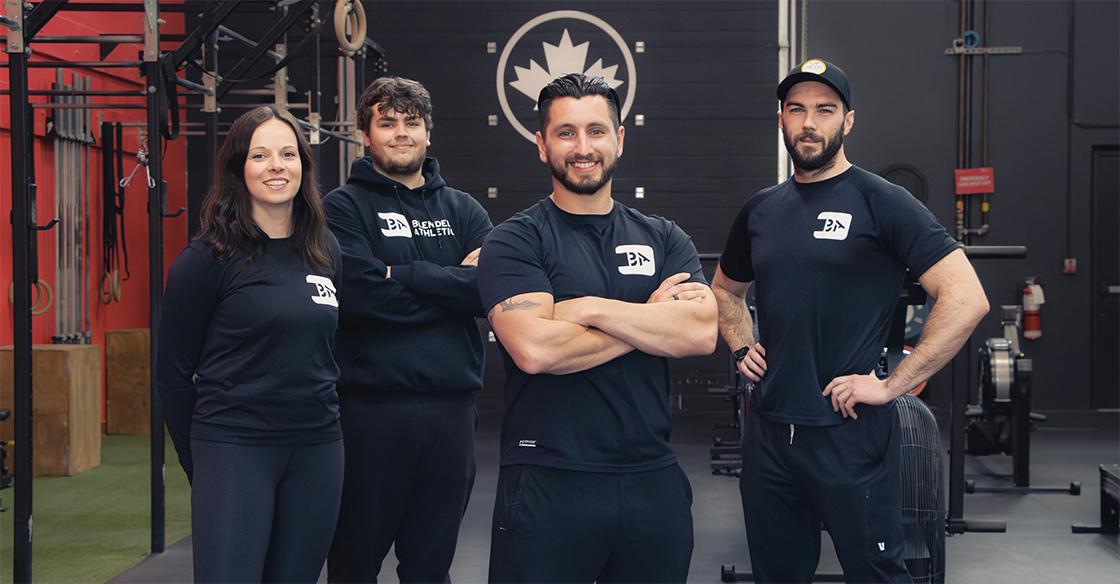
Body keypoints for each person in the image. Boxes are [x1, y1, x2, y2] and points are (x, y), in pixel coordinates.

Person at [711, 59, 990, 583]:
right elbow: (725, 291)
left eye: (825, 109)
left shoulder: (883, 202)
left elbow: (966, 297)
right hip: (770, 432)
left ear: (849, 120)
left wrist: (893, 386)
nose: (809, 122)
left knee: (876, 573)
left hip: (850, 433)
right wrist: (741, 343)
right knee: (777, 573)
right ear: (781, 121)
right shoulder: (761, 210)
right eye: (797, 110)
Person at [478, 73, 718, 583]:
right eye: (566, 133)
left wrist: (584, 307)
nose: (582, 147)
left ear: (619, 138)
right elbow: (535, 350)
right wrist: (649, 316)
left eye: (596, 131)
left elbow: (698, 333)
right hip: (548, 478)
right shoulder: (514, 241)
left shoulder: (664, 237)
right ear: (541, 145)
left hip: (650, 479)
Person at [157, 105, 343, 583]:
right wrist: (201, 460)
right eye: (260, 155)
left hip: (317, 447)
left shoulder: (324, 250)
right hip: (235, 447)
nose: (276, 166)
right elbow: (173, 375)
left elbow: (326, 350)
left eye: (287, 153)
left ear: (304, 163)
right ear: (239, 168)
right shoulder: (205, 260)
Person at [323, 76, 493, 583]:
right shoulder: (342, 208)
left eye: (411, 123)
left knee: (431, 566)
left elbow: (487, 291)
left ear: (428, 133)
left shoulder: (464, 210)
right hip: (371, 415)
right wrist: (451, 286)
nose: (401, 133)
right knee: (354, 563)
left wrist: (406, 275)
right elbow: (361, 296)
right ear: (365, 135)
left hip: (451, 415)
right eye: (387, 123)